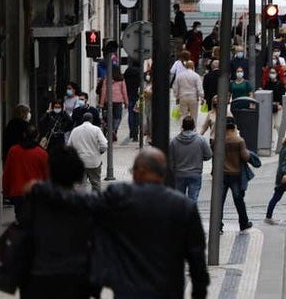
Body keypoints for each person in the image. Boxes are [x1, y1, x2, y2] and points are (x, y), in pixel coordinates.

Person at [30, 147, 210, 298]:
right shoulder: (183, 206)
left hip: (128, 290)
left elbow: (81, 202)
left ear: (140, 171)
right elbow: (196, 256)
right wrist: (199, 292)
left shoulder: (121, 196)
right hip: (167, 291)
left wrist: (39, 188)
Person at [17, 146, 96, 298]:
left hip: (40, 275)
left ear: (50, 170)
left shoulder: (37, 200)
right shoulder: (86, 204)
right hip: (75, 277)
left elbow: (24, 231)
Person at [3, 124, 48, 218]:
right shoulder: (42, 153)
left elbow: (7, 173)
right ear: (37, 136)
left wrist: (6, 191)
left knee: (20, 220)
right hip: (36, 194)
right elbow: (47, 176)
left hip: (17, 193)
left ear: (24, 135)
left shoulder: (13, 151)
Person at [169, 116, 212, 202]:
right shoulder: (201, 140)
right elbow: (209, 155)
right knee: (192, 199)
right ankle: (190, 214)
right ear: (194, 126)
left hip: (179, 173)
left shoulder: (174, 141)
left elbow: (170, 158)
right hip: (195, 173)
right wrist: (199, 157)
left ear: (182, 127)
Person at [222, 116, 253, 231]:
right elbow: (245, 156)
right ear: (234, 126)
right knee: (238, 200)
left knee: (219, 201)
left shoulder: (219, 139)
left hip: (222, 173)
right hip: (235, 173)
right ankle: (243, 223)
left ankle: (218, 224)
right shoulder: (239, 140)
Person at [67, 113, 108, 192]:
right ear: (91, 120)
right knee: (96, 184)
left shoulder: (75, 130)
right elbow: (104, 145)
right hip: (94, 161)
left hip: (79, 162)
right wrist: (100, 152)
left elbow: (69, 146)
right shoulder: (96, 130)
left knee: (80, 185)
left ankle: (81, 201)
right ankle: (95, 201)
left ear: (83, 119)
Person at [99, 65, 129, 141]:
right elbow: (124, 91)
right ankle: (114, 130)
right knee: (117, 117)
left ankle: (110, 130)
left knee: (108, 117)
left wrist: (101, 103)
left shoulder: (107, 79)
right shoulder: (121, 79)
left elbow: (103, 91)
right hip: (118, 101)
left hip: (107, 101)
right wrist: (126, 102)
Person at [173, 60, 204, 125]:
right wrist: (202, 97)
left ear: (185, 66)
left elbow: (176, 88)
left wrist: (177, 97)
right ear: (193, 66)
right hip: (193, 98)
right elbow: (199, 88)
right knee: (194, 116)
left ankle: (183, 129)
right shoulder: (196, 76)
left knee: (183, 115)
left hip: (183, 97)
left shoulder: (180, 76)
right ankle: (193, 129)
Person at [124, 60, 142, 141]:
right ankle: (136, 133)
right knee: (137, 114)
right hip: (138, 96)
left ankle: (131, 132)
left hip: (129, 95)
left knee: (130, 114)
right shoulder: (140, 72)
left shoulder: (127, 71)